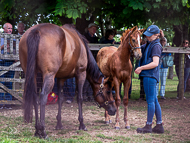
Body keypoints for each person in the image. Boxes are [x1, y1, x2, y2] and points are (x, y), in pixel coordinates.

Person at [135, 25, 164, 134]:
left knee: (150, 101)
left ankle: (148, 126)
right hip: (150, 75)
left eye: (149, 35)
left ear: (156, 35)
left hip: (150, 75)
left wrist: (141, 67)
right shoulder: (149, 44)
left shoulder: (156, 46)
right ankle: (159, 125)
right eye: (146, 35)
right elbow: (138, 49)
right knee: (154, 100)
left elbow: (155, 63)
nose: (147, 37)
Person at [0, 23, 15, 109]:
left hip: (11, 62)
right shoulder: (0, 37)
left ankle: (9, 103)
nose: (10, 30)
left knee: (9, 83)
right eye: (8, 28)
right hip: (1, 62)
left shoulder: (14, 38)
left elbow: (17, 49)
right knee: (1, 83)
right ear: (4, 29)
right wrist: (5, 46)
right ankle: (1, 103)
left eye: (11, 28)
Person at [83, 23, 99, 101]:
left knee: (93, 78)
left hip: (94, 60)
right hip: (86, 60)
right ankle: (84, 95)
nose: (94, 30)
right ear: (89, 28)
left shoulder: (96, 38)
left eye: (95, 28)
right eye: (93, 28)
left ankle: (90, 95)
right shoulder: (84, 37)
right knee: (86, 78)